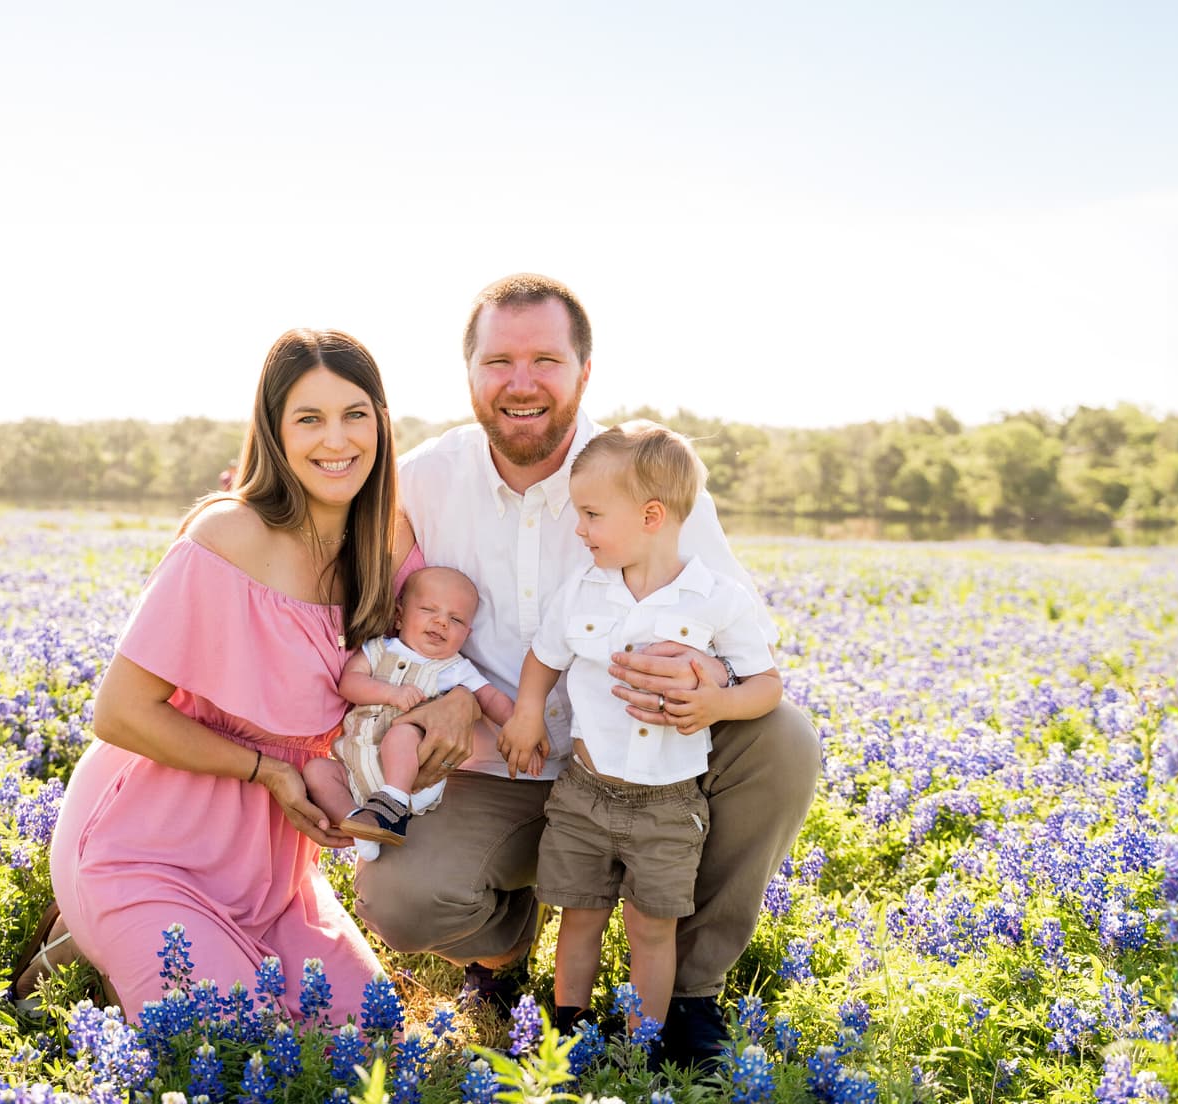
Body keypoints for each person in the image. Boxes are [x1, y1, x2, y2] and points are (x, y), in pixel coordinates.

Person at [351, 273, 824, 1066]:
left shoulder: (648, 476)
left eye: (547, 359)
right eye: (499, 361)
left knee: (783, 738)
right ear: (468, 373)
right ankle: (500, 953)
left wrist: (710, 687)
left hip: (646, 762)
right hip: (500, 763)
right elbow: (372, 620)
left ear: (584, 372)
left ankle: (689, 996)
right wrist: (443, 698)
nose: (523, 383)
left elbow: (734, 636)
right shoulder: (424, 479)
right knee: (400, 900)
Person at [42, 329, 416, 1017]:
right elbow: (119, 712)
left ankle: (104, 954)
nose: (336, 440)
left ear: (381, 423)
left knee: (373, 1038)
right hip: (148, 849)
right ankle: (101, 928)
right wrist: (265, 769)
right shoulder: (227, 536)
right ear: (275, 432)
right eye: (309, 418)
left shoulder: (390, 545)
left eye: (354, 414)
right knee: (230, 1042)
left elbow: (441, 660)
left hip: (273, 876)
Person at [498, 422, 781, 1045]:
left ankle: (641, 1042)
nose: (580, 528)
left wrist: (716, 704)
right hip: (585, 789)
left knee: (654, 926)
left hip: (669, 800)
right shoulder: (583, 589)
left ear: (651, 515)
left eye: (592, 514)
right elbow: (545, 657)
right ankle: (569, 1031)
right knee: (580, 914)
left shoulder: (716, 598)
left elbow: (767, 685)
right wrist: (526, 713)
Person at [301, 564, 518, 853]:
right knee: (316, 770)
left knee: (403, 733)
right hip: (353, 769)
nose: (441, 622)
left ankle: (393, 804)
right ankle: (359, 824)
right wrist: (392, 693)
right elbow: (349, 684)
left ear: (466, 634)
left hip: (414, 776)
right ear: (399, 616)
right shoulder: (377, 650)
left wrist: (520, 729)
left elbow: (491, 699)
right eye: (429, 610)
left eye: (455, 619)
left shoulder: (455, 669)